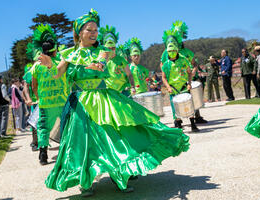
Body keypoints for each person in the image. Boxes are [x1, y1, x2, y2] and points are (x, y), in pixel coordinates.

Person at [42, 9, 189, 197]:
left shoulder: (102, 51)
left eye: (96, 30)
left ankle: (119, 175)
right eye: (90, 30)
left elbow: (101, 63)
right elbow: (57, 73)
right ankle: (85, 181)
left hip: (103, 100)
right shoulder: (69, 53)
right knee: (83, 143)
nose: (94, 33)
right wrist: (49, 65)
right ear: (80, 33)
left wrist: (97, 65)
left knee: (114, 138)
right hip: (81, 104)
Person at [31, 24, 69, 165]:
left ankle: (43, 154)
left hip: (46, 103)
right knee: (65, 126)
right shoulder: (61, 62)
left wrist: (39, 97)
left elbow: (33, 85)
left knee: (44, 128)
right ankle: (66, 153)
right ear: (55, 50)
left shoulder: (36, 65)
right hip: (62, 101)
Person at [160, 20, 207, 124]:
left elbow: (194, 64)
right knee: (175, 101)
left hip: (187, 79)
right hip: (174, 82)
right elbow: (162, 65)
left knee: (191, 98)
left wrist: (194, 71)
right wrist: (167, 80)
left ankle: (196, 116)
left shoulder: (186, 52)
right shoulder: (166, 52)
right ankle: (177, 119)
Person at [98, 25, 135, 94]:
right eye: (109, 48)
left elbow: (129, 74)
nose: (111, 50)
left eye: (113, 48)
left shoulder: (121, 60)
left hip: (123, 90)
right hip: (110, 92)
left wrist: (133, 87)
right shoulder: (102, 61)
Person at [22, 42, 40, 151]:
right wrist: (27, 98)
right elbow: (25, 88)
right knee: (35, 122)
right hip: (35, 102)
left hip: (46, 100)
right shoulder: (30, 72)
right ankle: (35, 142)